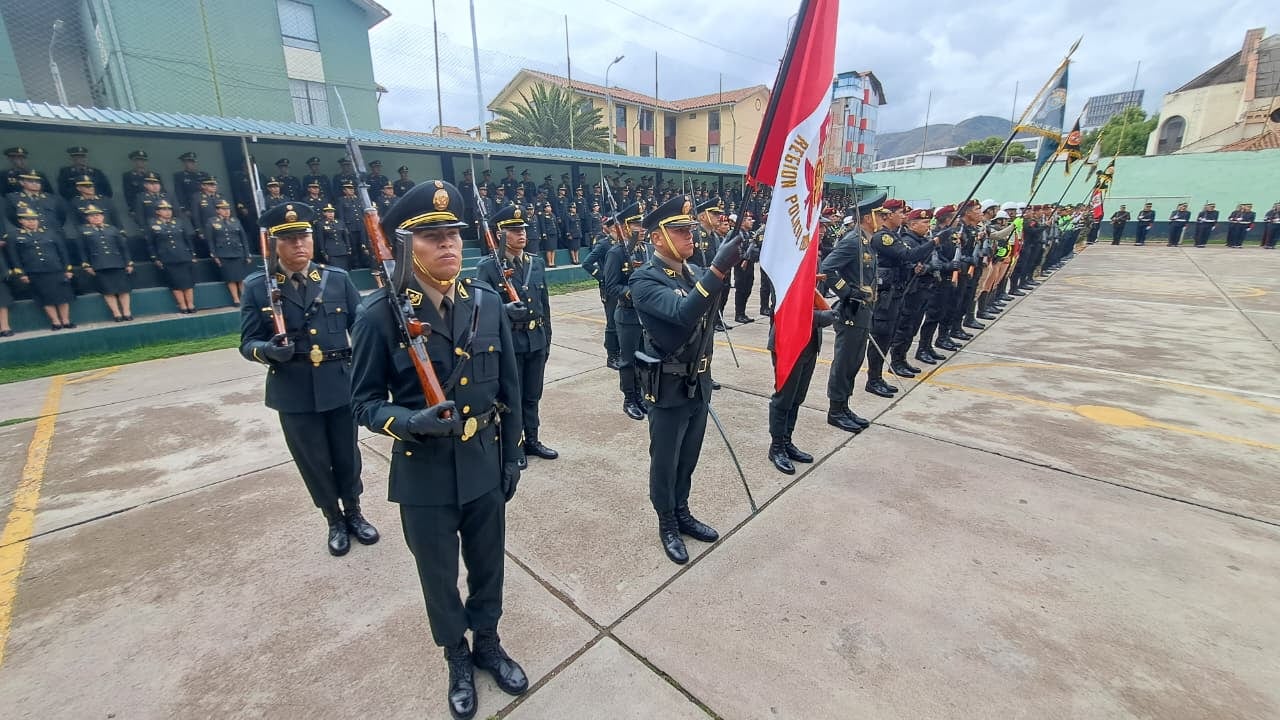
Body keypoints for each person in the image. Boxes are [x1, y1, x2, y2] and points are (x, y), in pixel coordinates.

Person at [350, 180, 527, 719]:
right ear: (405, 247)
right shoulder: (379, 314)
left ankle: (488, 643)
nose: (449, 244)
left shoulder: (487, 303)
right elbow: (361, 404)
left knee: (487, 564)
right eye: (432, 237)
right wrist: (407, 420)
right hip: (423, 476)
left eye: (453, 234)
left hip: (483, 464)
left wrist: (514, 454)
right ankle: (455, 653)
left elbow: (510, 388)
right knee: (438, 574)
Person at [240, 201, 377, 556]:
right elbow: (247, 343)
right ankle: (333, 519)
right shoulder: (258, 286)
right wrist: (268, 350)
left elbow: (361, 329)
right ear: (274, 244)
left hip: (338, 383)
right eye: (289, 239)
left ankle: (355, 513)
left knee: (347, 454)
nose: (299, 244)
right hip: (293, 388)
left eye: (304, 236)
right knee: (312, 460)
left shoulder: (337, 279)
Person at [630, 194, 736, 564]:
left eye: (690, 230)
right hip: (669, 386)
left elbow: (710, 312)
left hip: (699, 383)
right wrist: (718, 270)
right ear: (657, 237)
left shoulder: (690, 272)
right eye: (679, 231)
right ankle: (667, 522)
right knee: (666, 459)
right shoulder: (645, 278)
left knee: (689, 455)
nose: (689, 237)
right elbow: (682, 314)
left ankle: (683, 510)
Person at [476, 205, 558, 468]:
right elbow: (480, 308)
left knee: (533, 395)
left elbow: (544, 304)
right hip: (510, 342)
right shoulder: (489, 267)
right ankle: (515, 445)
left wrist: (547, 339)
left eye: (522, 229)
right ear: (500, 235)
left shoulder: (536, 262)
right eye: (513, 230)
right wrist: (504, 310)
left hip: (535, 339)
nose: (521, 234)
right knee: (512, 397)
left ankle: (533, 439)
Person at [821, 194, 884, 434]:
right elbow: (827, 267)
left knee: (855, 361)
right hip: (851, 311)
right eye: (880, 215)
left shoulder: (866, 242)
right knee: (844, 362)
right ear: (868, 218)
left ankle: (844, 406)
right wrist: (847, 292)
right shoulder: (852, 241)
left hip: (864, 311)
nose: (883, 219)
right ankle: (835, 410)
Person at [767, 296, 837, 474]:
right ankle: (776, 448)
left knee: (797, 397)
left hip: (810, 341)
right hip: (789, 341)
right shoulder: (786, 269)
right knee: (784, 397)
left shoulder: (810, 268)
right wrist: (821, 317)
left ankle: (786, 441)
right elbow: (787, 307)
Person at [602, 203, 648, 420]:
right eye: (637, 224)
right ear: (626, 227)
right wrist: (633, 292)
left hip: (645, 315)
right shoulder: (616, 253)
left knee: (643, 357)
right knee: (628, 360)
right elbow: (611, 286)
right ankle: (629, 398)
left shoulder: (644, 249)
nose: (642, 227)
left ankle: (640, 395)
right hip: (628, 314)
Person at [7, 206, 75, 330]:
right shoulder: (14, 236)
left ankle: (66, 321)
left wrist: (68, 269)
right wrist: (21, 273)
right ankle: (55, 322)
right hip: (35, 271)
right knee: (46, 298)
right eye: (27, 219)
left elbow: (62, 252)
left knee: (63, 296)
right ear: (20, 221)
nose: (31, 222)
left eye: (34, 219)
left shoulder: (50, 233)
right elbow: (14, 257)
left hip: (55, 269)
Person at [916, 204, 963, 363]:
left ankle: (929, 345)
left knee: (942, 313)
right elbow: (935, 259)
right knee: (932, 315)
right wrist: (947, 266)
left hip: (948, 280)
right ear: (948, 219)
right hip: (937, 281)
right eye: (955, 217)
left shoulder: (951, 235)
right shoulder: (936, 236)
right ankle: (922, 348)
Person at [77, 205, 134, 321]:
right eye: (92, 216)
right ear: (88, 218)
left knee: (123, 289)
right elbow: (82, 249)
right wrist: (86, 265)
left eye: (98, 215)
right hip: (99, 264)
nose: (96, 218)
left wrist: (128, 262)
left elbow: (123, 247)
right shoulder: (83, 231)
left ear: (102, 216)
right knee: (108, 291)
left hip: (117, 263)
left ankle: (127, 312)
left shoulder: (112, 229)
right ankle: (116, 313)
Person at [581, 212, 621, 369]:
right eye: (616, 228)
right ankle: (612, 356)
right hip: (609, 288)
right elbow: (587, 263)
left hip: (619, 285)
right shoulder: (604, 244)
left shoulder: (622, 244)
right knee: (612, 322)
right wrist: (602, 277)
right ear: (610, 229)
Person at [147, 200, 198, 314]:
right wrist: (155, 258)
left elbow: (187, 240)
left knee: (188, 282)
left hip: (183, 255)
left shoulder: (178, 222)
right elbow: (151, 244)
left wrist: (192, 254)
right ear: (158, 212)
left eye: (169, 209)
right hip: (167, 258)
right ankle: (182, 305)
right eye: (164, 210)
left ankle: (190, 304)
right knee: (176, 283)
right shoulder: (153, 224)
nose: (167, 212)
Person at [206, 200, 252, 305]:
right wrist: (214, 255)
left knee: (241, 277)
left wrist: (247, 253)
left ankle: (245, 298)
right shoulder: (212, 222)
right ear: (217, 210)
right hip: (224, 253)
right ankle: (236, 299)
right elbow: (210, 240)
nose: (226, 211)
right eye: (223, 209)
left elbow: (243, 238)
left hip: (238, 252)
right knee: (230, 278)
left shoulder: (235, 221)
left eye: (228, 209)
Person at [314, 204, 352, 269]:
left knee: (345, 269)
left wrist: (348, 248)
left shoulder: (340, 222)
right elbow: (321, 240)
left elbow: (345, 237)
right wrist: (324, 252)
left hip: (342, 250)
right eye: (328, 212)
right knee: (335, 270)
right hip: (331, 252)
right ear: (324, 213)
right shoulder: (321, 224)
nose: (331, 214)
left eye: (332, 212)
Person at [173, 152, 206, 216]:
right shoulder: (179, 176)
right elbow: (179, 193)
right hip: (191, 205)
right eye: (189, 161)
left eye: (194, 161)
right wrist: (184, 208)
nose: (192, 163)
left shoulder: (204, 175)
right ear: (184, 163)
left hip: (206, 204)